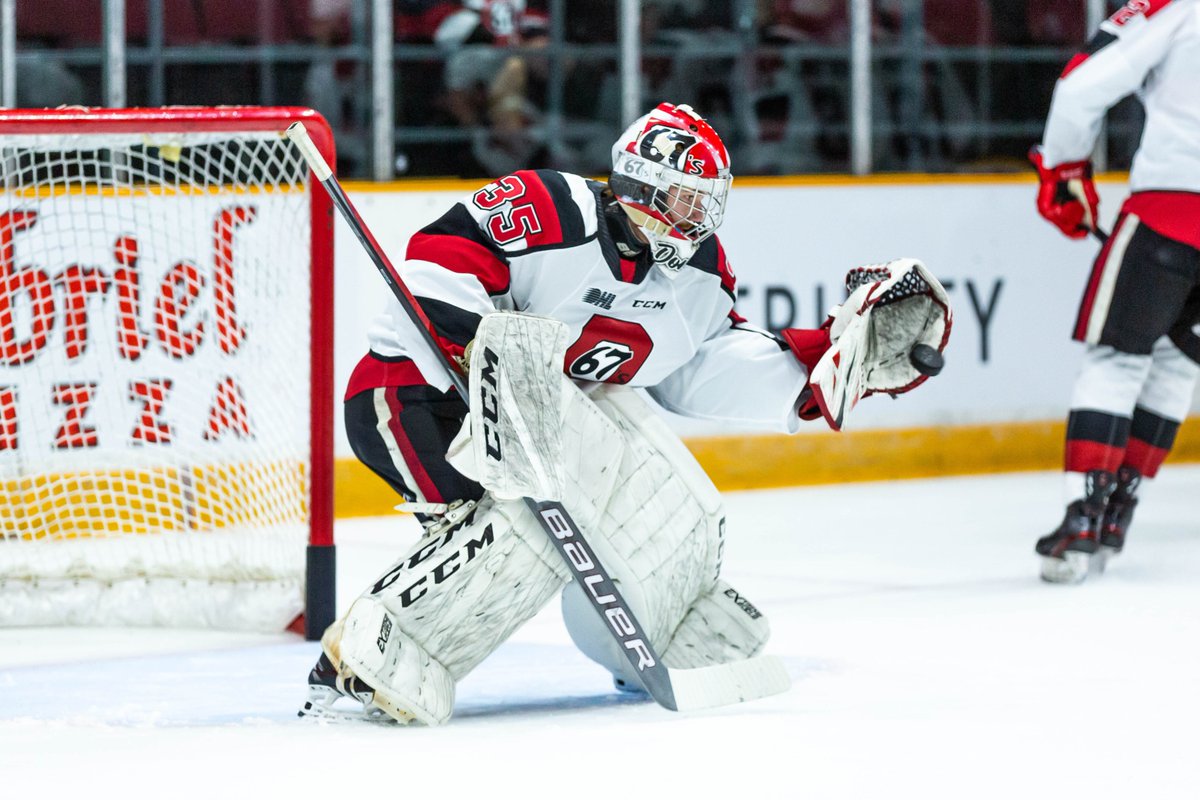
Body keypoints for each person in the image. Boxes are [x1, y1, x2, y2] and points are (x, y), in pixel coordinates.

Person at [302, 102, 950, 724]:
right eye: (687, 198)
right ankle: (378, 649)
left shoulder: (698, 271)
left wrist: (819, 372)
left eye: (708, 201)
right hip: (418, 395)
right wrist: (483, 354)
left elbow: (696, 368)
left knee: (662, 508)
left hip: (542, 428)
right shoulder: (551, 205)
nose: (700, 218)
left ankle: (659, 632)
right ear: (642, 183)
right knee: (522, 526)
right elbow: (439, 257)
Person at [1029, 0, 1200, 584]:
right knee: (1179, 365)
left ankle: (1083, 516)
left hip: (1168, 211)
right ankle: (1119, 511)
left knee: (1116, 360)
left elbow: (1081, 87)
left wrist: (1063, 170)